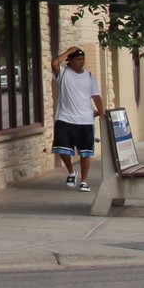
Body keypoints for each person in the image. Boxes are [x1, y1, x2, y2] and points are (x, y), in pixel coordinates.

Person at [51, 46, 104, 191]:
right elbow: (54, 63)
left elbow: (96, 96)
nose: (81, 62)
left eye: (83, 59)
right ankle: (71, 172)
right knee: (62, 149)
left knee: (85, 152)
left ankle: (84, 181)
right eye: (78, 59)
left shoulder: (89, 77)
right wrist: (68, 51)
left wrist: (101, 112)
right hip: (65, 118)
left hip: (85, 120)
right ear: (71, 61)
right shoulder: (63, 73)